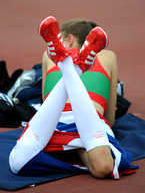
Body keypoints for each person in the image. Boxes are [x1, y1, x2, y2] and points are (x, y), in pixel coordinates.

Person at [9, 16, 138, 179]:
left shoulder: (47, 55)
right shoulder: (108, 56)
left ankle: (68, 68)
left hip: (54, 122)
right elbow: (110, 119)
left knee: (18, 163)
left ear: (68, 40)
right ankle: (75, 70)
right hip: (90, 119)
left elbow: (44, 103)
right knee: (104, 167)